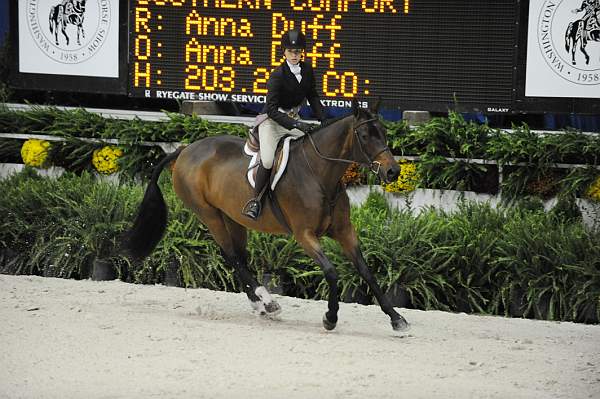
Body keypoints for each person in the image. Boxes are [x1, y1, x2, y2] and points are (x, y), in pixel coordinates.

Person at [242, 29, 326, 220]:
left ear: (302, 52)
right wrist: (296, 123)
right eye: (290, 52)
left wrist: (324, 119)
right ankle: (255, 201)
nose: (294, 55)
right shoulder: (277, 75)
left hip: (292, 120)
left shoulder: (307, 70)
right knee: (269, 160)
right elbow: (271, 110)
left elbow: (312, 95)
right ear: (284, 52)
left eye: (297, 52)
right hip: (271, 122)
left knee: (312, 148)